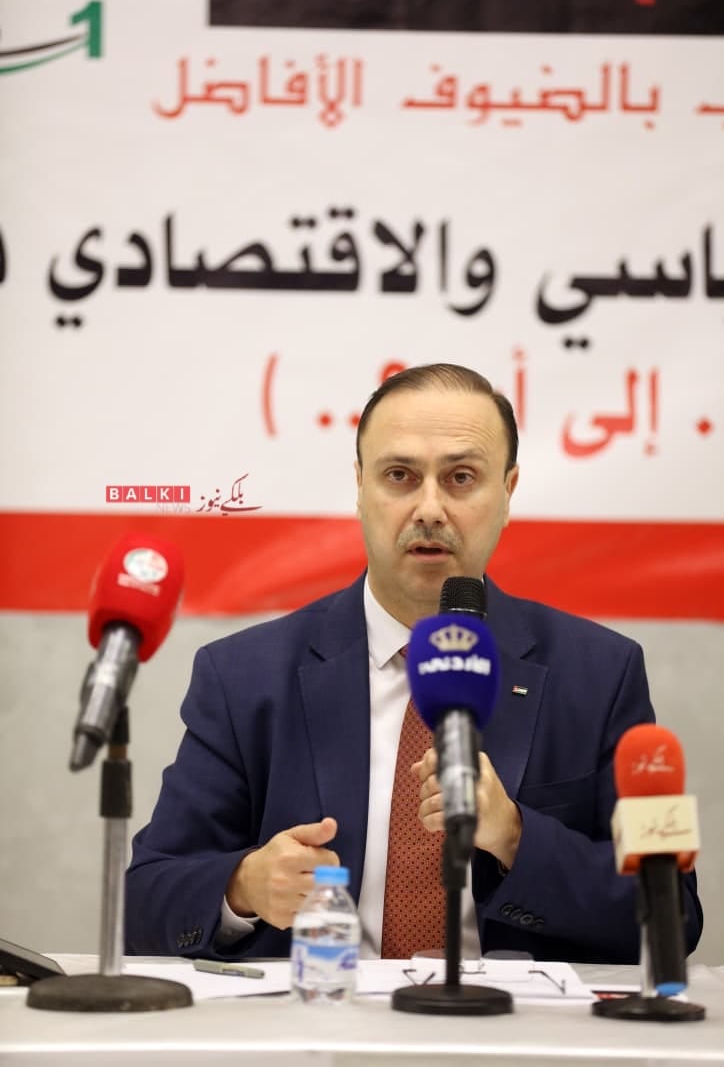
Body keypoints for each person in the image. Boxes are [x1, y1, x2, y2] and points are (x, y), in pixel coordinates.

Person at [125, 363, 703, 962]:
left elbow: (672, 915)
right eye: (399, 476)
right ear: (360, 487)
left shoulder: (599, 675)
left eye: (461, 478)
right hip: (321, 1012)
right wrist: (242, 887)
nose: (429, 508)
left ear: (507, 492)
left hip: (511, 1018)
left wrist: (514, 835)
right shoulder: (245, 677)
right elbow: (143, 901)